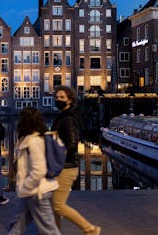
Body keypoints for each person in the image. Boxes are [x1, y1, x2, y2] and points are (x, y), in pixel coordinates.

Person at [51, 85, 101, 235]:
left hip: (66, 167)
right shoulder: (62, 117)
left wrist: (57, 154)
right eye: (56, 97)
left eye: (61, 97)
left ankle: (90, 229)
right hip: (60, 166)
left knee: (58, 205)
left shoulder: (68, 119)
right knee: (53, 205)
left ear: (70, 100)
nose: (57, 100)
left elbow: (72, 143)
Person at [7, 107, 60, 235]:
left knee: (49, 230)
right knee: (17, 225)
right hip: (32, 192)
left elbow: (39, 170)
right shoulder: (35, 138)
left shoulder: (34, 141)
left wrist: (26, 186)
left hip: (37, 192)